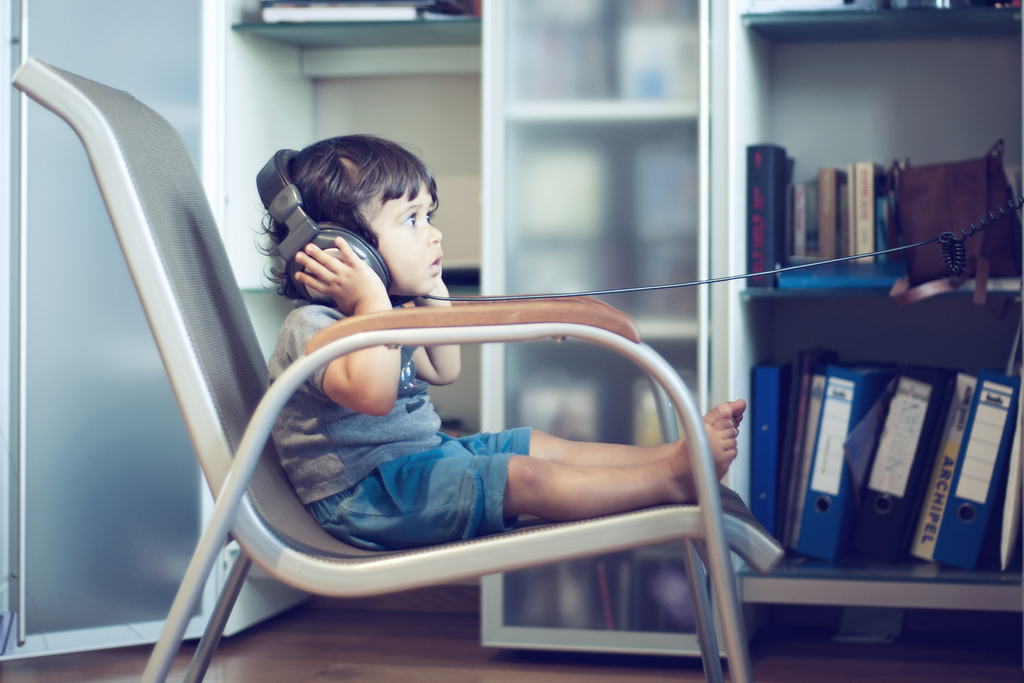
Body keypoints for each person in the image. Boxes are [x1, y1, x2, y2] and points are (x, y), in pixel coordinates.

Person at [264, 134, 746, 551]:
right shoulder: (314, 327)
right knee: (523, 477)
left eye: (428, 216)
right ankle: (669, 481)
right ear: (336, 248)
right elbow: (374, 396)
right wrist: (373, 304)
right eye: (411, 220)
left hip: (420, 462)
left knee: (532, 443)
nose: (434, 235)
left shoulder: (387, 313)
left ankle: (673, 459)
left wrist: (428, 294)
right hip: (364, 498)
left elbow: (443, 368)